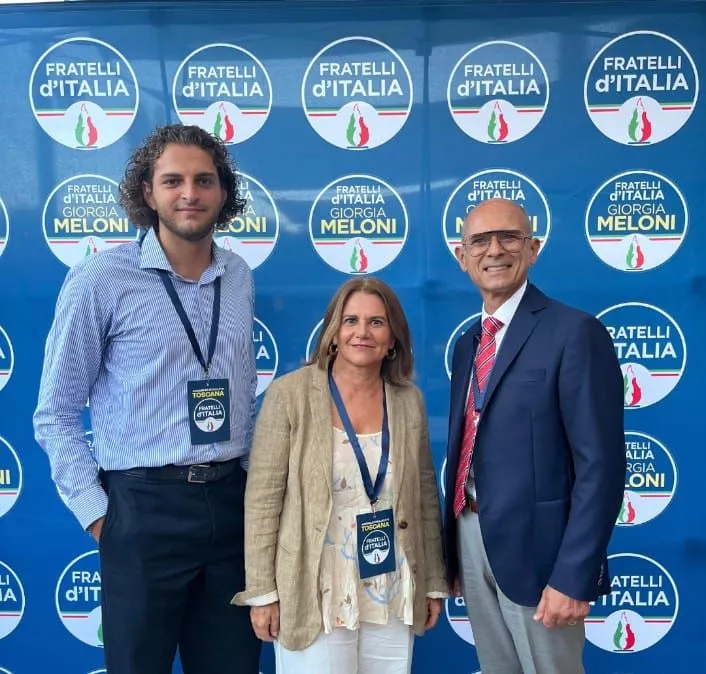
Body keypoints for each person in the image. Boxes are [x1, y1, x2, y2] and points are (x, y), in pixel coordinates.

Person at [34, 124, 261, 674]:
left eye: (204, 180)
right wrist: (100, 518)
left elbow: (242, 395)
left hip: (231, 506)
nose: (190, 193)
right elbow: (56, 413)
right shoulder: (100, 279)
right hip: (142, 509)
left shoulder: (238, 275)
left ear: (223, 193)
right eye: (173, 181)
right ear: (147, 193)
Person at [443, 198, 625, 674]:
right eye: (480, 241)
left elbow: (601, 467)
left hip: (543, 555)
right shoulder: (468, 344)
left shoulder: (575, 332)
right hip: (472, 537)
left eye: (509, 237)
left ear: (533, 248)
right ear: (462, 256)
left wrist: (574, 574)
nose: (494, 250)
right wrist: (455, 552)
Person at [233, 277, 447, 674]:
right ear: (333, 333)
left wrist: (433, 580)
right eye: (351, 321)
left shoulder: (408, 401)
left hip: (390, 582)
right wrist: (262, 592)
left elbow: (425, 497)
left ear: (393, 339)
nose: (362, 332)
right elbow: (262, 501)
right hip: (314, 584)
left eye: (376, 322)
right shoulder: (290, 395)